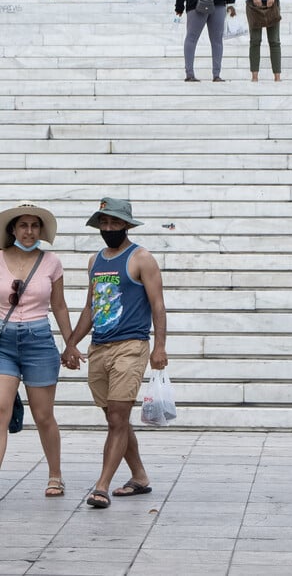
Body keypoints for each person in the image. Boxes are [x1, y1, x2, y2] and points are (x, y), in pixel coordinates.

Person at [63, 198, 168, 509]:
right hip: (99, 347)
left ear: (126, 224)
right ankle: (139, 476)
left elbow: (158, 305)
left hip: (130, 346)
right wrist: (71, 343)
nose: (108, 228)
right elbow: (90, 307)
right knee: (114, 418)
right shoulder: (96, 261)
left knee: (117, 418)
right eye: (104, 223)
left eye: (114, 223)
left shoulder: (141, 258)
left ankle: (102, 486)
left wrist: (159, 346)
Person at [0, 201, 74, 497]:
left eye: (34, 226)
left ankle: (55, 475)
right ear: (13, 229)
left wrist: (70, 343)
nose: (28, 231)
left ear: (40, 230)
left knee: (43, 415)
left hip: (38, 341)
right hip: (3, 341)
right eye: (23, 225)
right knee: (1, 409)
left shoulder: (51, 262)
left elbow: (59, 305)